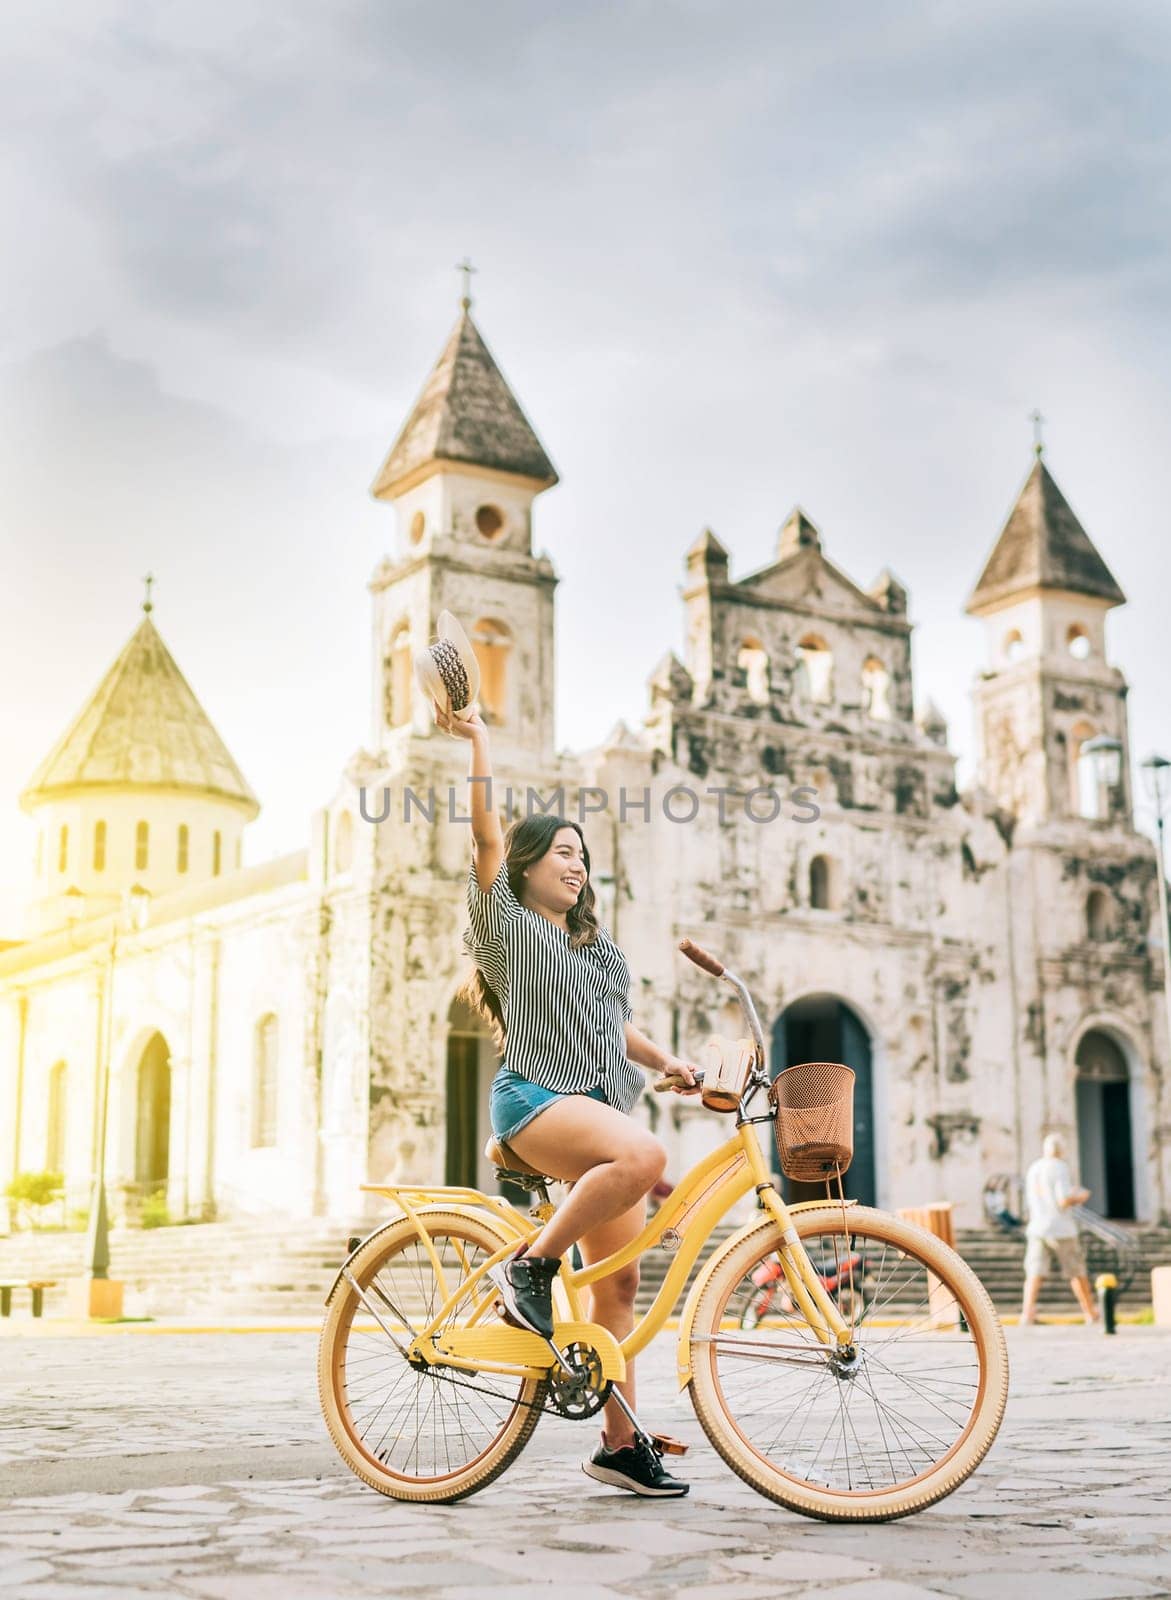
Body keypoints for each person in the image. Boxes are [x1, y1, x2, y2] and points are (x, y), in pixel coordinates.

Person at [445, 701, 704, 1497]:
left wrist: (672, 1064)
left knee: (618, 1284)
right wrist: (481, 739)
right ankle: (529, 1269)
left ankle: (620, 1445)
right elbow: (485, 831)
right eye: (561, 851)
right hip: (534, 1101)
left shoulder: (591, 952)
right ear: (524, 866)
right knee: (644, 1151)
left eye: (583, 854)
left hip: (592, 1109)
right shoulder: (508, 927)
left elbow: (616, 1027)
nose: (577, 863)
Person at [1020, 1133, 1099, 1326]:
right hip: (1061, 1227)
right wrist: (1080, 1197)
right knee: (1076, 1272)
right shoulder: (1060, 1167)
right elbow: (1062, 1200)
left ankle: (1027, 1313)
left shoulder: (1034, 1168)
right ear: (1061, 1150)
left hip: (1037, 1226)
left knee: (1034, 1273)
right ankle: (1090, 1313)